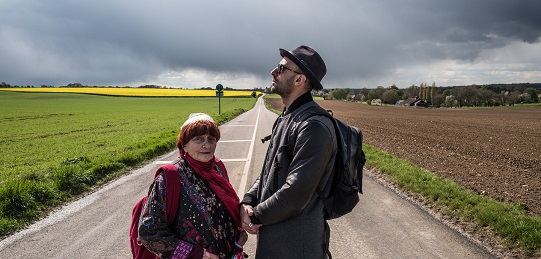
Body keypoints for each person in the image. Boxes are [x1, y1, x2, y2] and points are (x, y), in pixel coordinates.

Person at [240, 45, 338, 258]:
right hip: (275, 242)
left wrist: (256, 216)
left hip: (296, 247)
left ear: (299, 80)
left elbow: (295, 194)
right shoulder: (287, 117)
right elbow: (270, 171)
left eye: (282, 68)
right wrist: (248, 200)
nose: (273, 72)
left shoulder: (313, 127)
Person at [138, 113, 247, 259]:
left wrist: (237, 233)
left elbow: (226, 207)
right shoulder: (169, 177)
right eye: (198, 139)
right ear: (184, 145)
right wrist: (196, 255)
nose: (206, 145)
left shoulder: (218, 168)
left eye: (211, 139)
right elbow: (149, 232)